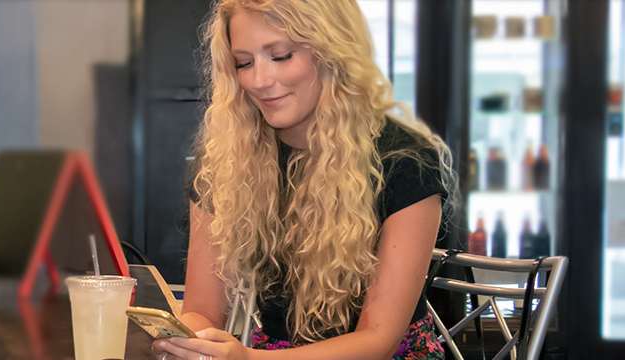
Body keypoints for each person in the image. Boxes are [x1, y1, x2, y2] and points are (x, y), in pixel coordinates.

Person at [153, 1, 456, 359]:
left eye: (280, 56)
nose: (259, 81)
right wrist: (185, 339)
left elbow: (378, 340)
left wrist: (249, 358)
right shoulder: (225, 160)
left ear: (332, 53)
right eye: (244, 63)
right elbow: (203, 310)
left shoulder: (405, 161)